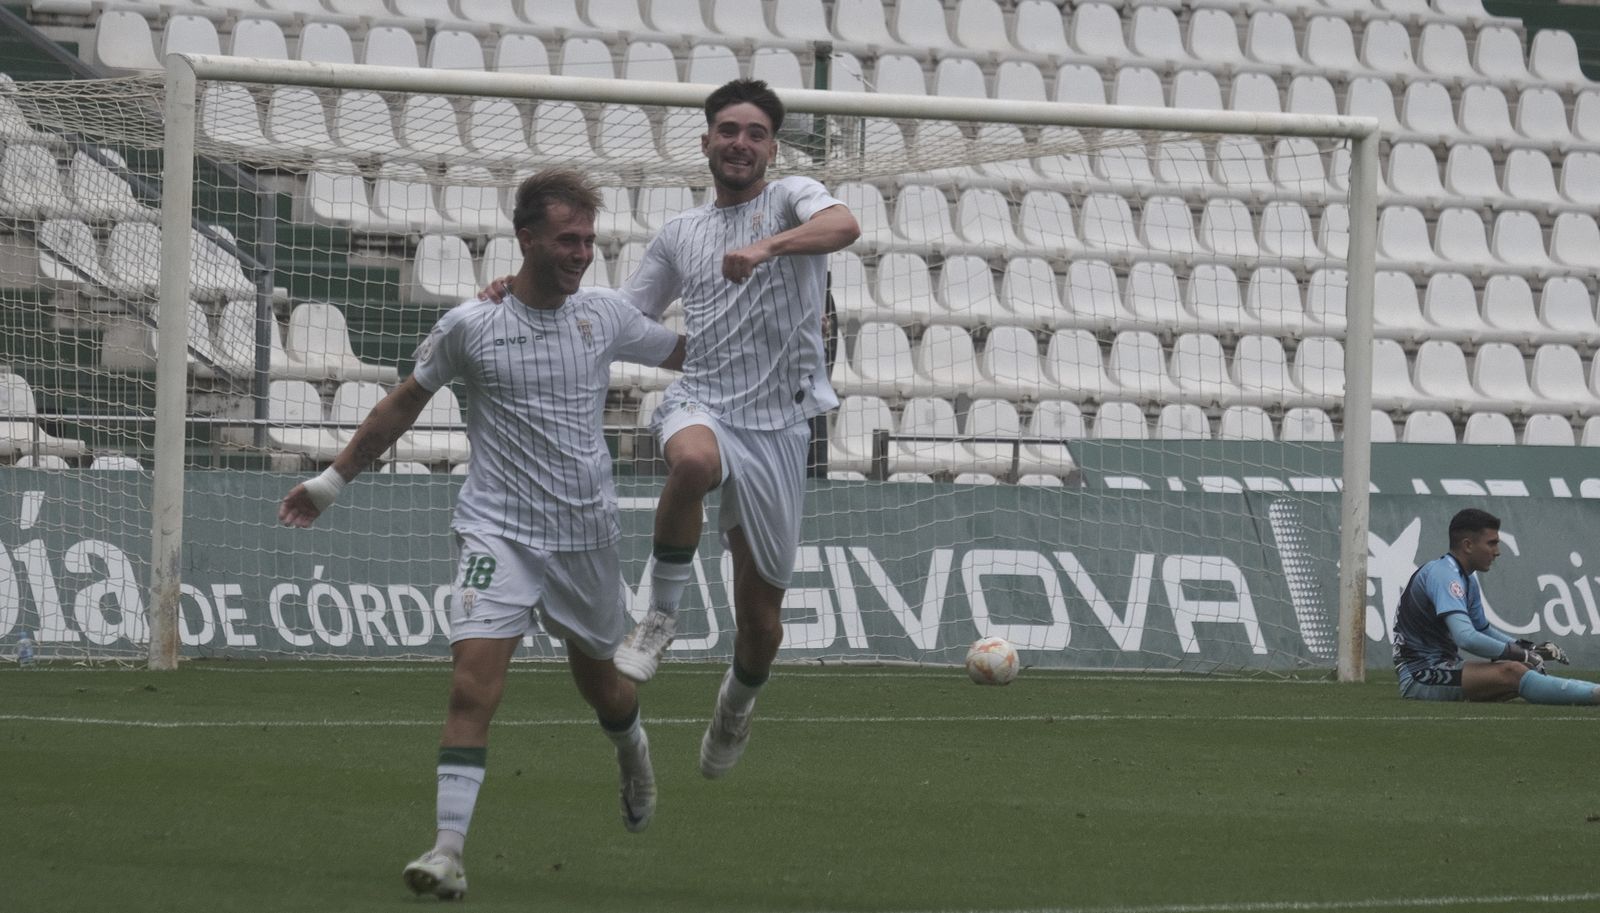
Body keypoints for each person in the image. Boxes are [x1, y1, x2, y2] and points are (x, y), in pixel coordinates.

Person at [278, 168, 686, 900]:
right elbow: (403, 403)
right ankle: (447, 850)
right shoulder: (472, 325)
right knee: (473, 685)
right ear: (525, 238)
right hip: (493, 533)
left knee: (604, 688)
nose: (583, 252)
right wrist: (331, 480)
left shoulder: (604, 316)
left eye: (589, 240)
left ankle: (633, 751)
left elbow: (685, 354)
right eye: (568, 238)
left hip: (584, 537)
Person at [485, 79, 859, 779]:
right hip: (705, 401)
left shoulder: (792, 198)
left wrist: (768, 248)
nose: (739, 142)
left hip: (780, 425)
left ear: (772, 147)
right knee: (689, 461)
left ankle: (738, 703)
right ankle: (659, 617)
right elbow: (620, 316)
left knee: (761, 624)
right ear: (706, 142)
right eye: (727, 130)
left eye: (754, 132)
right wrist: (518, 288)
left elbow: (846, 227)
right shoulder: (682, 234)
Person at [1392, 507, 1600, 704]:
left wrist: (1528, 648)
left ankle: (1592, 690)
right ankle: (1593, 694)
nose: (1497, 551)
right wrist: (1519, 654)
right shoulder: (1443, 574)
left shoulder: (1466, 579)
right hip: (1420, 676)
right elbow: (1466, 637)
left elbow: (1483, 630)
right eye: (1491, 543)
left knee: (1523, 668)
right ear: (1468, 545)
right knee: (1513, 671)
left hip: (1443, 667)